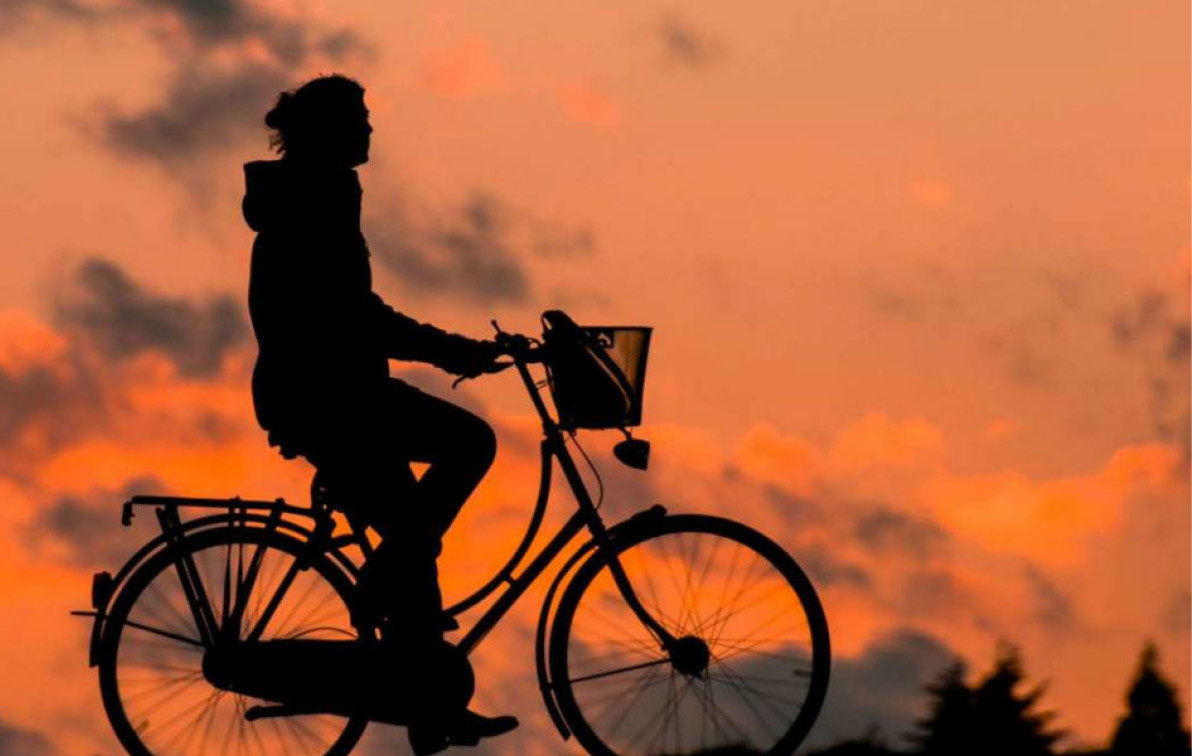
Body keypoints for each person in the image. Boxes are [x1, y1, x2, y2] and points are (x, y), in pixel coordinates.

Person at [242, 74, 517, 752]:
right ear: (334, 131)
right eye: (360, 118)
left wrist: (450, 350)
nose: (371, 129)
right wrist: (452, 350)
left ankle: (430, 706)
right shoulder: (311, 203)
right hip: (326, 399)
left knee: (411, 535)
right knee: (468, 445)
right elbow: (357, 318)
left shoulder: (318, 197)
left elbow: (358, 317)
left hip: (336, 394)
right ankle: (381, 588)